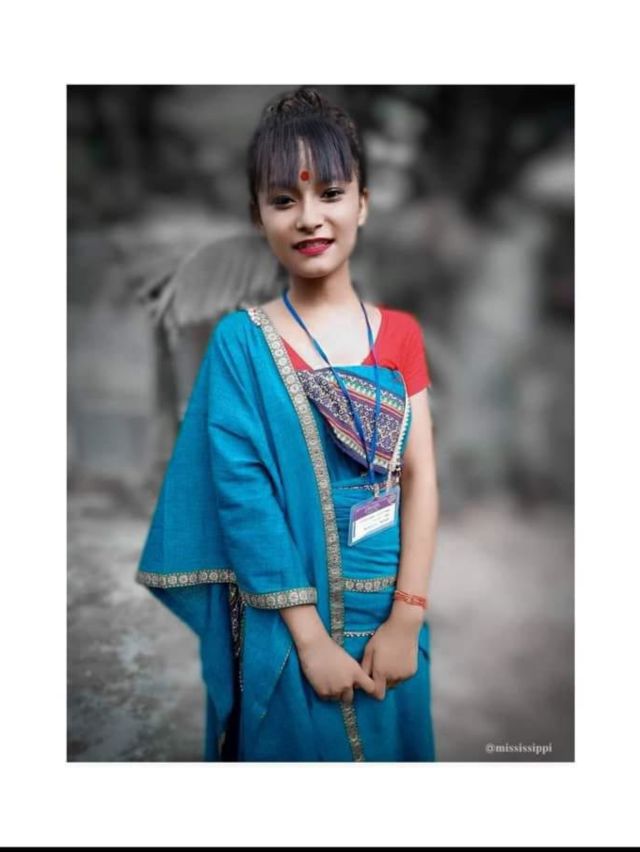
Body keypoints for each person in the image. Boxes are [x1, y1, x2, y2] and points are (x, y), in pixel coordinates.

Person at [136, 86, 439, 761]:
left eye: (330, 193)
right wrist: (311, 642)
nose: (309, 218)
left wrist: (407, 617)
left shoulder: (401, 336)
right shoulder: (241, 343)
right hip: (288, 630)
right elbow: (244, 501)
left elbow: (420, 479)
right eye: (283, 200)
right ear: (258, 215)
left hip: (392, 625)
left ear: (363, 202)